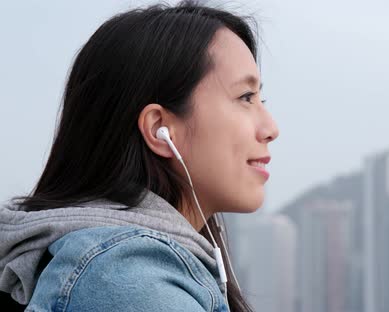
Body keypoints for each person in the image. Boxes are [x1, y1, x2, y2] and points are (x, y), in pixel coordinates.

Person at [0, 1, 279, 311]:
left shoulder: (124, 268)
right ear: (160, 129)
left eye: (260, 98)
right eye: (245, 97)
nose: (271, 128)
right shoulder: (127, 281)